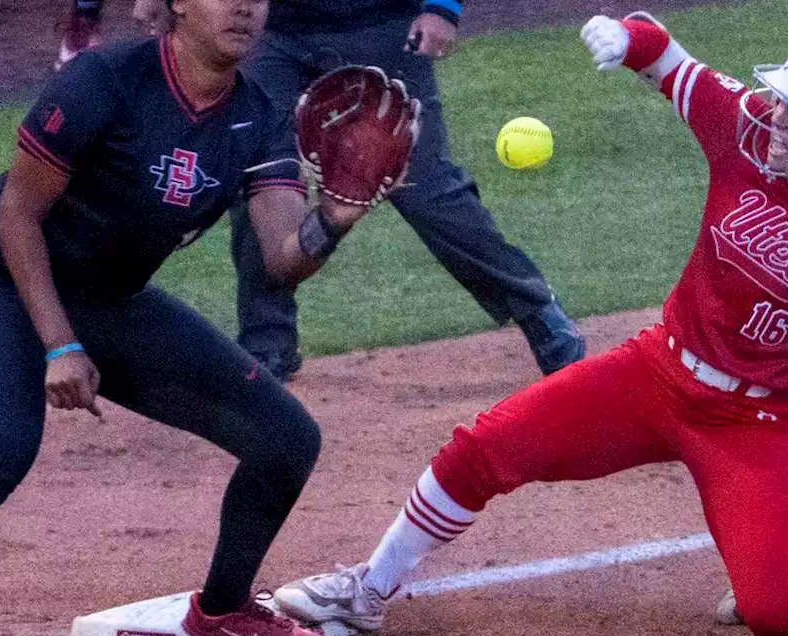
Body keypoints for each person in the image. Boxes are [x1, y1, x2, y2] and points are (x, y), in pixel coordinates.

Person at [271, 13, 788, 636]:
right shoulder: (747, 131)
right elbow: (671, 62)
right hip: (657, 374)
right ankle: (365, 590)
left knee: (782, 622)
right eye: (784, 99)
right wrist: (625, 37)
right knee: (483, 447)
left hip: (755, 422)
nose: (780, 116)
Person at [0, 0, 389, 636]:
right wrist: (61, 344)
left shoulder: (258, 117)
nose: (245, 5)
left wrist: (334, 219)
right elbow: (18, 217)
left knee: (286, 439)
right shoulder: (104, 81)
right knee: (1, 446)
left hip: (112, 301)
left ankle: (221, 612)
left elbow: (281, 260)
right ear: (178, 4)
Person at [60, 0, 588, 380]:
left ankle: (537, 312)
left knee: (423, 188)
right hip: (276, 31)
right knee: (259, 174)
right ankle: (267, 343)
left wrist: (442, 6)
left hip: (385, 23)